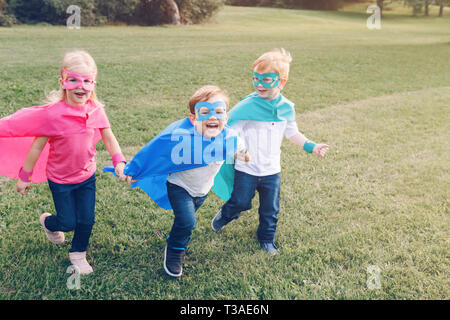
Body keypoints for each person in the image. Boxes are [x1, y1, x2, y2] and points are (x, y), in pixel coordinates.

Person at [0, 50, 127, 274]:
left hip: (86, 176)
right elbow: (37, 147)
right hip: (60, 180)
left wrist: (119, 161)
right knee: (68, 222)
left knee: (87, 220)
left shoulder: (96, 111)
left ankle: (78, 253)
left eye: (87, 81)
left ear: (93, 83)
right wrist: (24, 176)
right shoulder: (52, 115)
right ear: (63, 82)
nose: (81, 86)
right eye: (74, 80)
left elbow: (109, 136)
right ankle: (49, 222)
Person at [111, 85, 249, 277]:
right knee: (188, 221)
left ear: (225, 118)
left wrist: (242, 155)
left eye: (219, 112)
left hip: (202, 191)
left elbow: (238, 148)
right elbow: (155, 151)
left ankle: (175, 237)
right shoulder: (180, 137)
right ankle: (175, 249)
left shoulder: (229, 137)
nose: (212, 117)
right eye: (205, 112)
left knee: (184, 223)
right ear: (193, 118)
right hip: (179, 186)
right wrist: (134, 170)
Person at [211, 49, 329, 255]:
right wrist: (239, 149)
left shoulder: (286, 108)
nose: (258, 84)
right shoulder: (248, 107)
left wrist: (313, 146)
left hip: (271, 170)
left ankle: (266, 239)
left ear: (281, 82)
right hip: (246, 167)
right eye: (255, 78)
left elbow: (293, 133)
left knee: (270, 209)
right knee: (240, 201)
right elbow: (232, 130)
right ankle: (227, 213)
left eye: (266, 80)